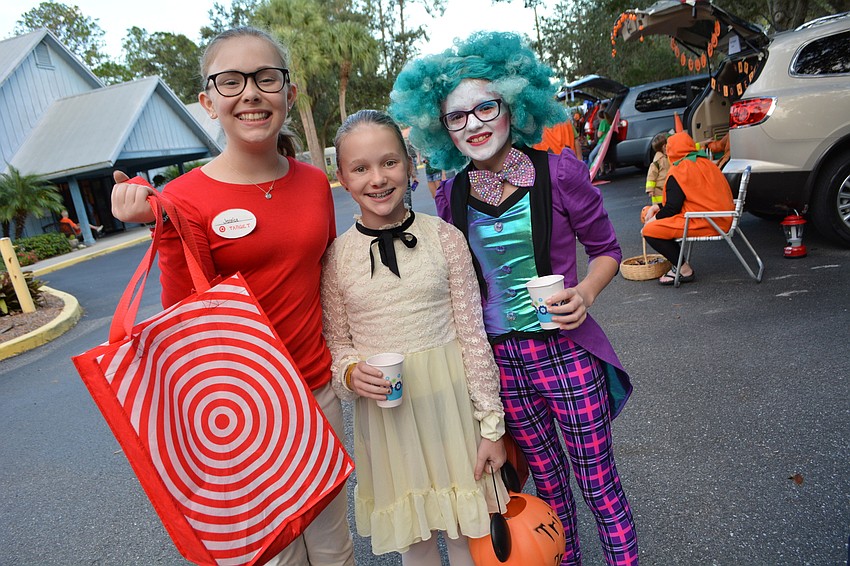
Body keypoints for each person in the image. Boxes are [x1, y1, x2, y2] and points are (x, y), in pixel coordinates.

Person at [390, 31, 637, 566]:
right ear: (443, 129)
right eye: (457, 117)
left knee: (598, 485)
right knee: (547, 488)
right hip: (503, 362)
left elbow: (607, 250)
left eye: (485, 107)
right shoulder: (450, 195)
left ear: (513, 105)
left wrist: (586, 292)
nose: (473, 123)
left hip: (567, 353)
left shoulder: (560, 171)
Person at [109, 26, 354, 566]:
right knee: (276, 554)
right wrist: (153, 220)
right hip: (246, 410)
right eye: (231, 80)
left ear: (288, 93)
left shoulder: (315, 183)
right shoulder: (180, 199)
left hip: (316, 392)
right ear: (208, 100)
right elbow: (184, 320)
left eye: (266, 78)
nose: (250, 93)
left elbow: (328, 279)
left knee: (334, 546)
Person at [322, 109, 507, 566]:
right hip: (388, 423)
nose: (378, 178)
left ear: (410, 165)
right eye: (360, 168)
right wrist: (348, 373)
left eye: (389, 162)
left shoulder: (445, 237)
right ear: (343, 178)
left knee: (467, 532)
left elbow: (472, 334)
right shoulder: (337, 258)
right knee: (416, 541)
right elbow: (336, 343)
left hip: (451, 411)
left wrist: (491, 426)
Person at [642, 131, 735, 285]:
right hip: (722, 216)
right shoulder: (705, 163)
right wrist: (656, 207)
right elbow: (689, 196)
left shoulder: (679, 169)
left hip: (705, 221)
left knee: (649, 230)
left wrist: (651, 221)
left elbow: (672, 208)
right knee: (651, 216)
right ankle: (678, 263)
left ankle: (683, 269)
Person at [645, 132, 670, 206]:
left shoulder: (665, 158)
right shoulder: (657, 162)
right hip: (658, 191)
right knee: (659, 208)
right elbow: (651, 176)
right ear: (664, 147)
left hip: (665, 189)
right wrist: (650, 189)